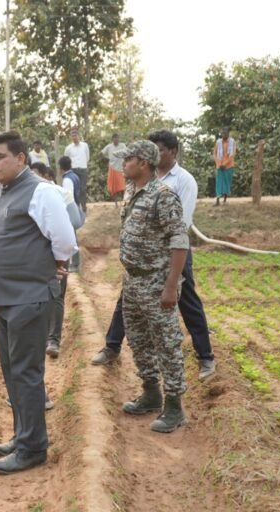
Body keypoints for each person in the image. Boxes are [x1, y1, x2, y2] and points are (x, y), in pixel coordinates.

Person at [0, 131, 76, 475]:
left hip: (29, 296)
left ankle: (33, 448)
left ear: (21, 158)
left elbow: (65, 239)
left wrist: (53, 263)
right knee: (12, 372)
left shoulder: (42, 192)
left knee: (26, 373)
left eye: (0, 156)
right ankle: (23, 434)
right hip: (3, 296)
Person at [93, 130, 216, 380]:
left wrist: (171, 279)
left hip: (171, 254)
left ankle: (205, 357)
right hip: (142, 260)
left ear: (173, 152)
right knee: (126, 300)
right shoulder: (135, 182)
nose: (156, 154)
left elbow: (181, 226)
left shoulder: (183, 181)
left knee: (187, 300)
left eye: (160, 149)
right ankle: (112, 345)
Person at [114, 140, 189, 433]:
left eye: (129, 159)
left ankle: (174, 406)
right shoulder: (133, 191)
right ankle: (151, 391)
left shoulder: (163, 196)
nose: (124, 163)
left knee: (166, 341)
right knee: (138, 337)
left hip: (156, 281)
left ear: (144, 163)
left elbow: (179, 241)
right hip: (133, 280)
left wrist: (171, 286)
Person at [30, 162, 82, 360]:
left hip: (56, 250)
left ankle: (53, 340)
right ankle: (43, 338)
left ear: (47, 175)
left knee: (57, 295)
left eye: (36, 175)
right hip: (35, 253)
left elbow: (76, 221)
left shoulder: (60, 193)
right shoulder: (27, 194)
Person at [58, 156, 82, 273]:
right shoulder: (75, 176)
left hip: (70, 209)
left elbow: (68, 197)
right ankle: (75, 263)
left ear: (60, 168)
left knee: (72, 238)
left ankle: (75, 264)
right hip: (76, 206)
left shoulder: (67, 180)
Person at [63, 127, 90, 212]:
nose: (74, 137)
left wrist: (83, 164)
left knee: (82, 189)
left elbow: (87, 157)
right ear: (70, 137)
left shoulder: (85, 146)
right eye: (72, 136)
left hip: (82, 169)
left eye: (75, 135)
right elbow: (66, 159)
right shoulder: (68, 148)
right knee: (74, 189)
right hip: (73, 170)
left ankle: (84, 208)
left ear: (78, 136)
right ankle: (76, 208)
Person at [101, 133, 127, 206]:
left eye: (117, 138)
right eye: (114, 138)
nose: (116, 140)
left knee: (123, 186)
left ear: (119, 139)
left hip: (121, 169)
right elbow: (102, 153)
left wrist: (125, 161)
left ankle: (124, 202)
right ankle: (116, 204)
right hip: (112, 168)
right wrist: (107, 158)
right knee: (113, 187)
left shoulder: (122, 145)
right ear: (112, 139)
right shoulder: (109, 146)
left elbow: (127, 153)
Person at [213, 127, 236, 206]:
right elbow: (214, 154)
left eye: (225, 133)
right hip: (219, 166)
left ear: (228, 134)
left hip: (228, 166)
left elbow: (232, 154)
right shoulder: (218, 142)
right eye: (222, 133)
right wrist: (219, 164)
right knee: (219, 183)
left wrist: (225, 164)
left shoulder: (232, 142)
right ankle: (217, 200)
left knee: (227, 182)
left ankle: (225, 200)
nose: (224, 135)